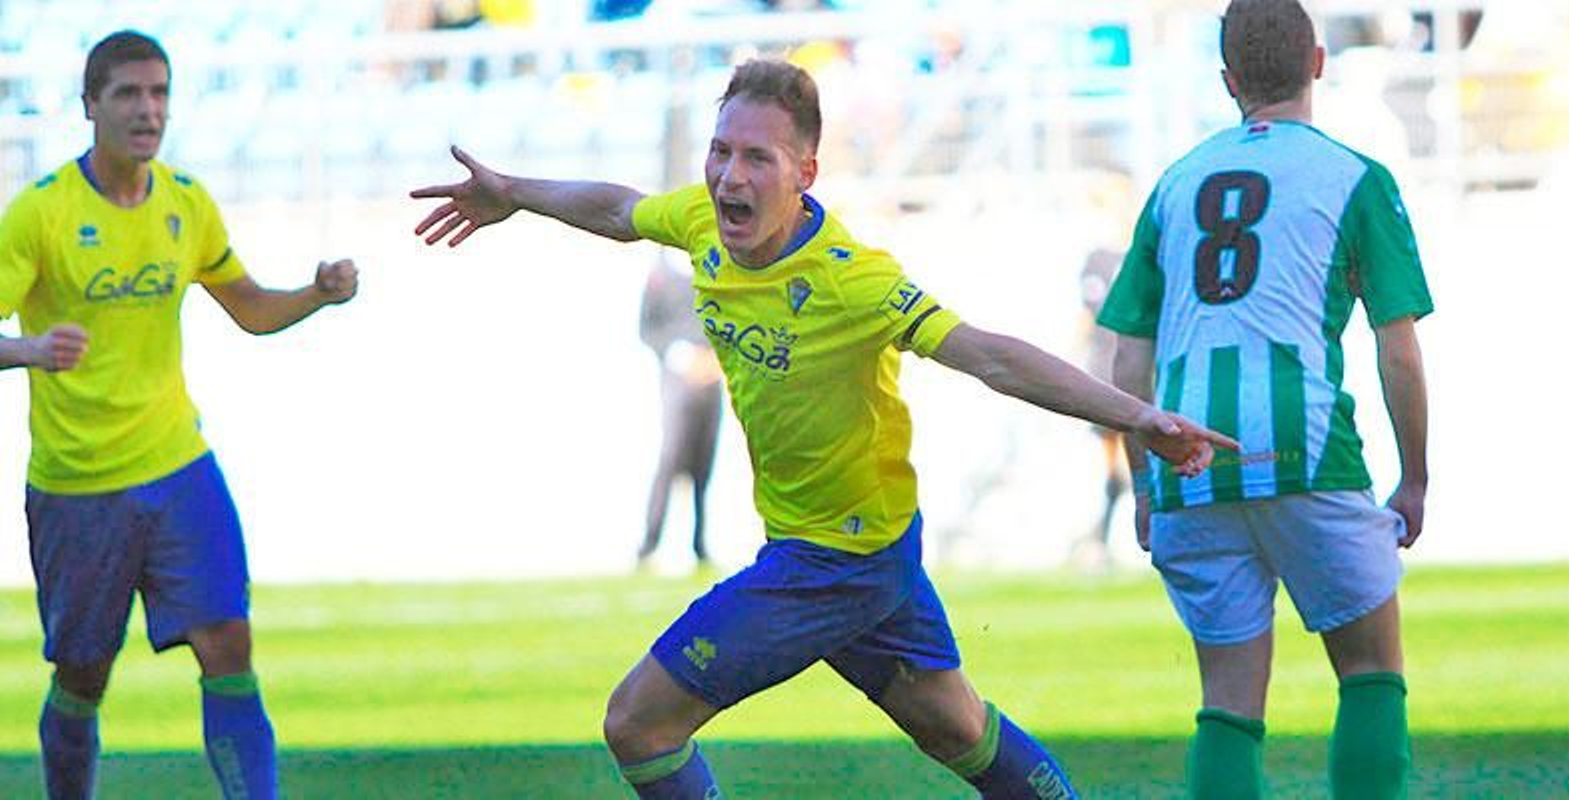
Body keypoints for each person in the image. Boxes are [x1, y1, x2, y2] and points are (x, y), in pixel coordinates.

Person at [412, 59, 1234, 799]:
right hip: (869, 545)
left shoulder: (856, 283)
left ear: (806, 173)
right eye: (721, 151)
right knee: (957, 728)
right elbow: (620, 209)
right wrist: (514, 192)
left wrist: (1138, 415)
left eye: (756, 158)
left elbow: (989, 356)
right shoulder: (703, 222)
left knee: (639, 724)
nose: (730, 176)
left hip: (829, 562)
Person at [0, 31, 359, 799]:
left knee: (228, 639)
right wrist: (26, 350)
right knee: (83, 674)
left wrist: (316, 294)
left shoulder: (186, 202)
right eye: (129, 93)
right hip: (78, 486)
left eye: (159, 92)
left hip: (177, 465)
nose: (148, 109)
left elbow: (252, 310)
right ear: (89, 105)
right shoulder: (40, 213)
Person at [1097, 2, 1431, 798]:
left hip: (1190, 462)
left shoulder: (1174, 185)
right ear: (1318, 62)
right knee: (1371, 673)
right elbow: (1399, 349)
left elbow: (1127, 357)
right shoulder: (1355, 176)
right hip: (1309, 450)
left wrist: (1144, 485)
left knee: (1228, 702)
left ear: (1227, 81)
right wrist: (1415, 476)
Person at [637, 253, 723, 569]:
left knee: (704, 462)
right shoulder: (660, 272)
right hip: (677, 379)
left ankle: (700, 545)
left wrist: (716, 359)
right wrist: (679, 354)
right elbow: (647, 329)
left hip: (711, 377)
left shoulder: (713, 264)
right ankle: (649, 544)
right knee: (671, 457)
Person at [1071, 247, 1129, 571]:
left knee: (1123, 468)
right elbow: (1087, 316)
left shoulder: (1145, 246)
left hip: (1124, 367)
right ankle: (1105, 542)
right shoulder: (1099, 258)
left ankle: (1104, 542)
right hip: (1109, 369)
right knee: (1118, 468)